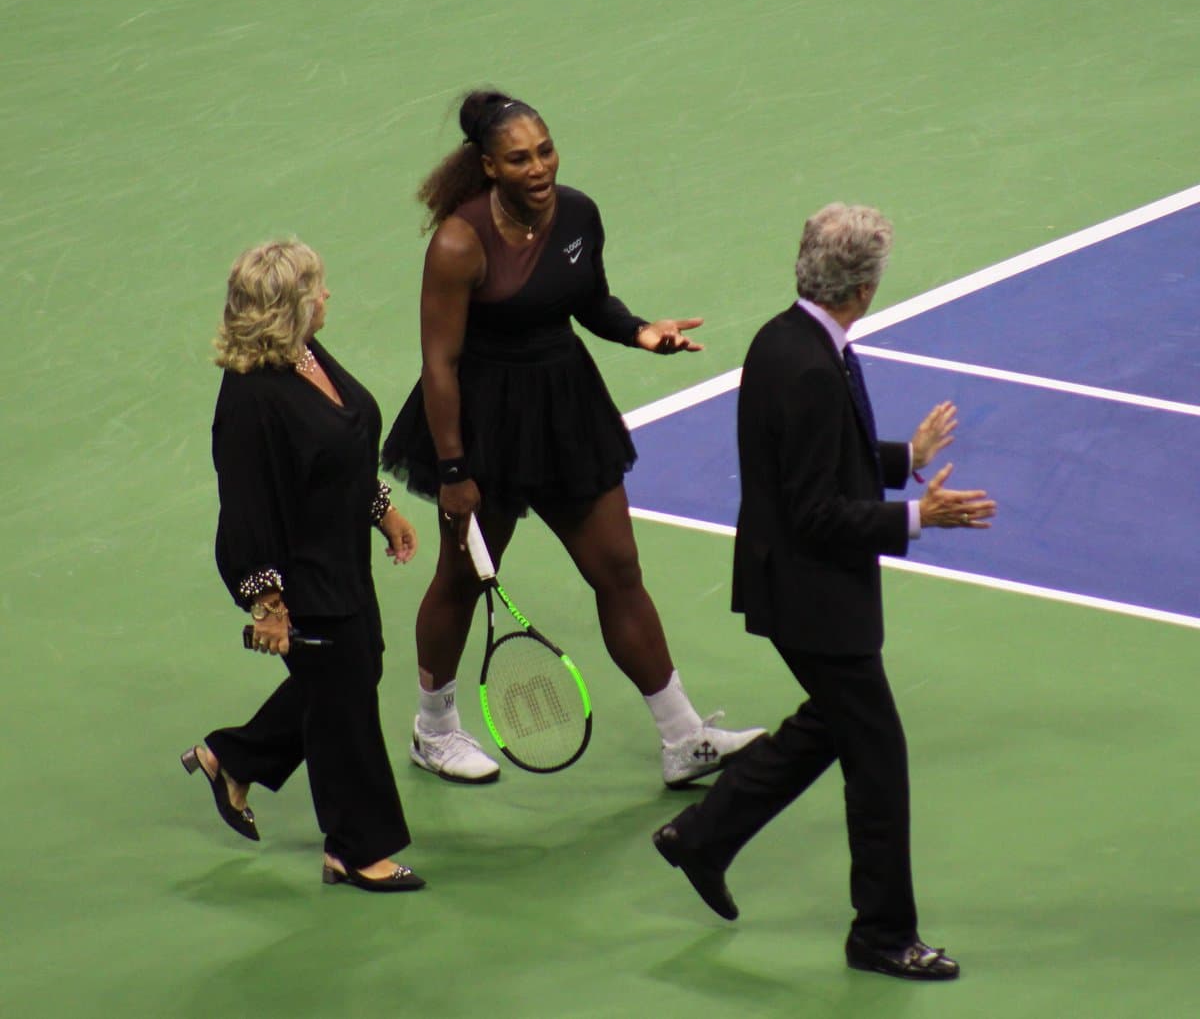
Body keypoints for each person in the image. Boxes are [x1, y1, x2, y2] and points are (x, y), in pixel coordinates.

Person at [652, 203, 997, 980]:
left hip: (794, 584)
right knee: (878, 756)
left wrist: (902, 456)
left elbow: (815, 459)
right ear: (866, 287)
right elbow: (814, 510)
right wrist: (919, 515)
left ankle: (703, 836)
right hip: (813, 596)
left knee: (831, 726)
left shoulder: (790, 339)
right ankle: (881, 934)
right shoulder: (811, 365)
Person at [381, 89, 764, 786]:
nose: (539, 167)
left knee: (618, 569)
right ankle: (433, 731)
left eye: (546, 150)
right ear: (489, 167)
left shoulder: (578, 212)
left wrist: (641, 331)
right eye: (519, 158)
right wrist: (453, 468)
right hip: (484, 424)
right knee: (463, 579)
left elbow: (589, 300)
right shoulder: (460, 242)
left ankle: (683, 738)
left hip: (565, 411)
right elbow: (439, 364)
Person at [181, 239, 426, 893]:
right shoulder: (252, 402)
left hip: (341, 553)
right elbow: (245, 514)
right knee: (344, 702)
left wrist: (381, 509)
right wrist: (267, 604)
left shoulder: (305, 355)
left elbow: (342, 444)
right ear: (288, 308)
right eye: (317, 288)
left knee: (354, 667)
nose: (327, 295)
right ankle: (354, 849)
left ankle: (231, 757)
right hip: (300, 573)